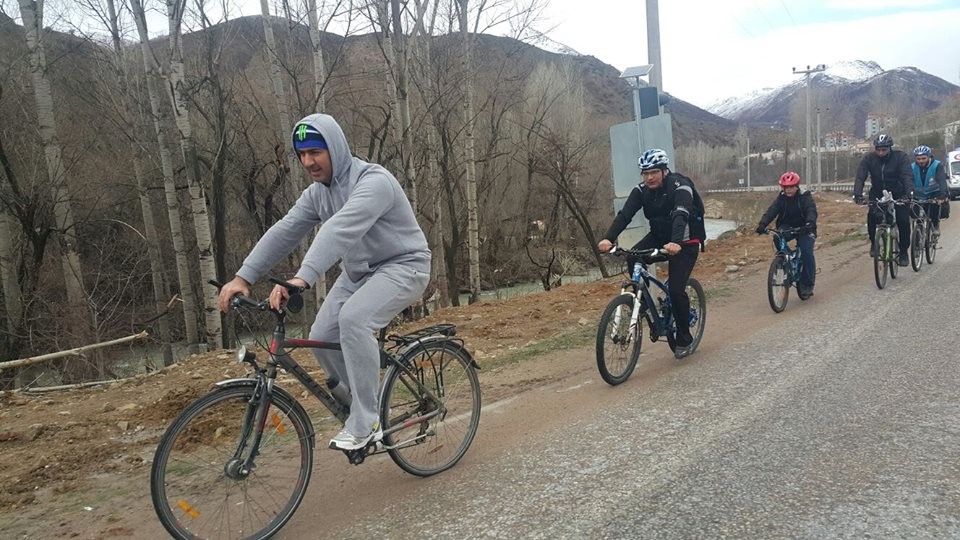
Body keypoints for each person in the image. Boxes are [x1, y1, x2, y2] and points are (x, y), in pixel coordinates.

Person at [217, 114, 431, 451]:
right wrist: (243, 277)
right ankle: (364, 404)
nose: (308, 162)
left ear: (336, 148)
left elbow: (338, 229)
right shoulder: (318, 194)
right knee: (320, 336)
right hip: (358, 274)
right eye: (301, 155)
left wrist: (303, 277)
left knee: (354, 320)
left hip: (404, 266)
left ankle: (367, 419)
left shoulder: (374, 181)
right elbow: (284, 231)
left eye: (316, 152)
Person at [597, 148, 705, 359]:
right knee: (632, 256)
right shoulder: (641, 191)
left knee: (675, 289)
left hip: (685, 240)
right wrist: (609, 238)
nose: (649, 177)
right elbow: (625, 214)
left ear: (664, 171)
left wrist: (675, 242)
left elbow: (681, 214)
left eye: (653, 172)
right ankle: (645, 301)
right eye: (645, 173)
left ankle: (684, 336)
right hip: (659, 235)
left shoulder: (679, 186)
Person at [754, 172, 818, 299]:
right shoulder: (781, 198)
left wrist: (810, 222)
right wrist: (762, 224)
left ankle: (807, 283)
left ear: (797, 186)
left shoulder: (805, 196)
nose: (788, 190)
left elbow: (811, 210)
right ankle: (788, 260)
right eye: (786, 187)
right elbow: (771, 211)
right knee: (777, 238)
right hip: (787, 226)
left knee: (806, 252)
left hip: (805, 227)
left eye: (791, 187)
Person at [853, 134, 913, 265]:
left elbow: (907, 176)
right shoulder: (869, 158)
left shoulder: (900, 157)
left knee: (903, 221)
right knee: (872, 216)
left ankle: (903, 252)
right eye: (878, 149)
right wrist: (857, 194)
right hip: (878, 191)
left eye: (884, 150)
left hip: (898, 191)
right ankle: (874, 243)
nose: (880, 152)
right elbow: (860, 177)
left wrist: (908, 194)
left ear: (890, 148)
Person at [910, 145, 949, 238]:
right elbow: (908, 181)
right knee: (917, 216)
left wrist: (942, 197)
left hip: (933, 193)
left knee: (934, 209)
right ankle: (918, 235)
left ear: (929, 156)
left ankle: (935, 226)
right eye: (918, 159)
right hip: (918, 194)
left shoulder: (937, 165)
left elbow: (942, 181)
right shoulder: (912, 167)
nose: (921, 161)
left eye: (923, 158)